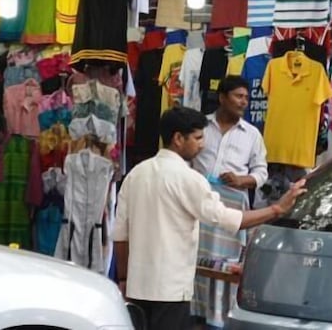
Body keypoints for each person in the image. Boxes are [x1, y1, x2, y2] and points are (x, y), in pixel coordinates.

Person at [114, 107, 306, 330]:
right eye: (197, 138)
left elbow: (120, 235)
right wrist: (277, 209)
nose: (202, 145)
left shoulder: (136, 174)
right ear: (178, 138)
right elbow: (230, 220)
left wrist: (124, 279)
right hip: (170, 289)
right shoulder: (189, 179)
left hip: (138, 287)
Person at [193, 75, 268, 197]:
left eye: (246, 98)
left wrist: (241, 180)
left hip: (233, 200)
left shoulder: (252, 134)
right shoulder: (201, 126)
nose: (244, 102)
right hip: (198, 195)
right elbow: (185, 159)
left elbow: (261, 172)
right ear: (222, 98)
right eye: (239, 96)